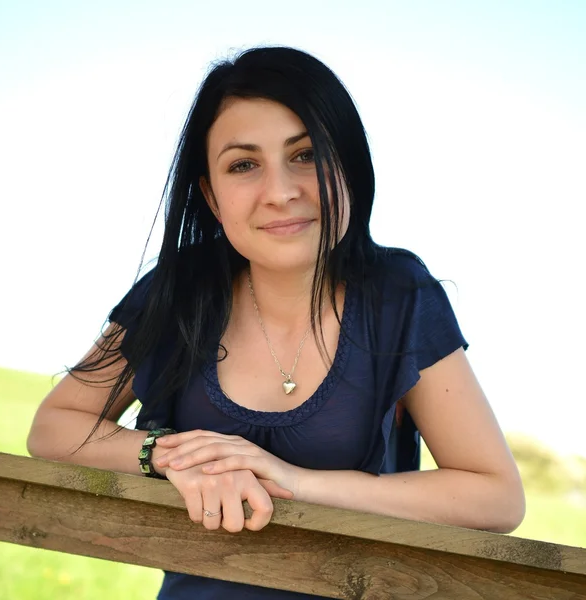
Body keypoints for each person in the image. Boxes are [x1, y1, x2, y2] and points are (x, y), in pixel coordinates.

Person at [27, 46, 525, 599]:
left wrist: (295, 482)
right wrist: (171, 456)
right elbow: (54, 427)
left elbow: (495, 497)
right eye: (244, 165)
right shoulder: (180, 290)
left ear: (349, 169)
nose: (281, 192)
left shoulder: (397, 297)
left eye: (306, 155)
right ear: (212, 197)